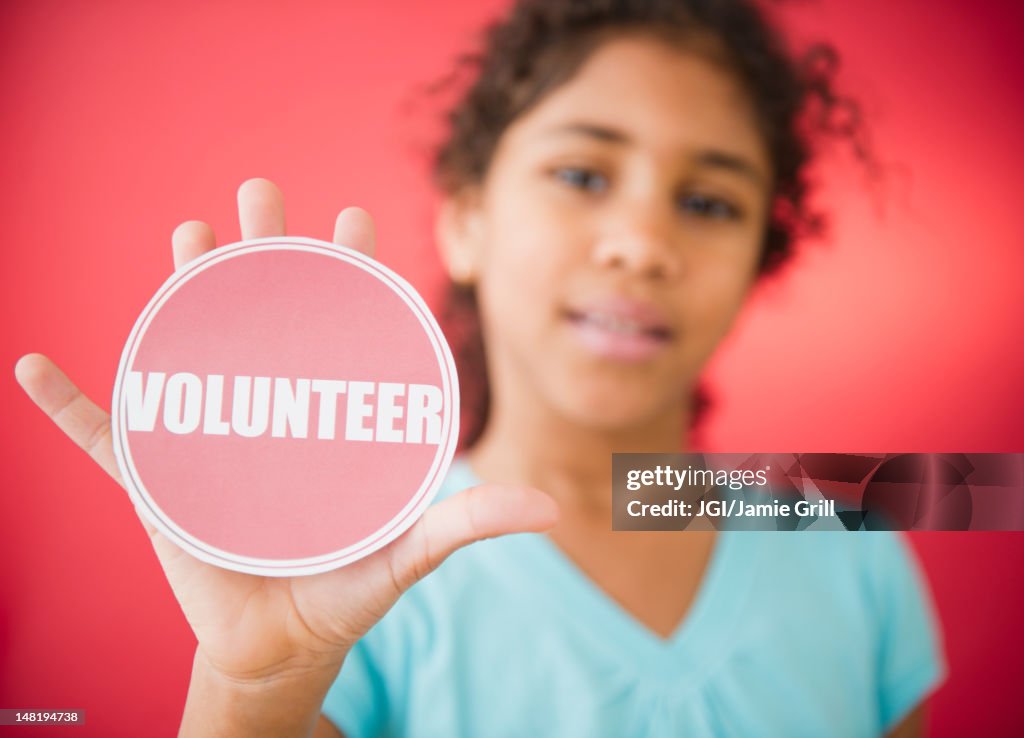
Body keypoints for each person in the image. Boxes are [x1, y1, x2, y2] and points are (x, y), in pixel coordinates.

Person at [14, 0, 946, 736]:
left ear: (757, 264)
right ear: (466, 221)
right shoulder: (352, 581)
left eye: (707, 201)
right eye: (582, 175)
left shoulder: (848, 536)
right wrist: (251, 690)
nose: (642, 243)